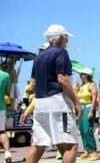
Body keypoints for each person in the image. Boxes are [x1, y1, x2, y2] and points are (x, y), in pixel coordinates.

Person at [25, 24, 83, 163]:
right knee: (71, 145)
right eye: (66, 37)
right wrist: (76, 102)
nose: (67, 40)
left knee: (38, 145)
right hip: (58, 103)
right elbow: (62, 80)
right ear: (61, 37)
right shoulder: (61, 52)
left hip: (40, 104)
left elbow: (33, 86)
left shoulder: (39, 56)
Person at [77, 68, 99, 160]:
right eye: (81, 74)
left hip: (88, 108)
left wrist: (91, 111)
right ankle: (86, 151)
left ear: (87, 75)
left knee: (88, 130)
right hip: (81, 109)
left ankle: (94, 152)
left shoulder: (92, 85)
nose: (81, 75)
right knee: (82, 130)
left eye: (83, 74)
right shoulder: (82, 86)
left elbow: (94, 99)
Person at [0, 68, 12, 163]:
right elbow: (7, 94)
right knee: (2, 131)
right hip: (1, 107)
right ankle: (7, 152)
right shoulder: (6, 75)